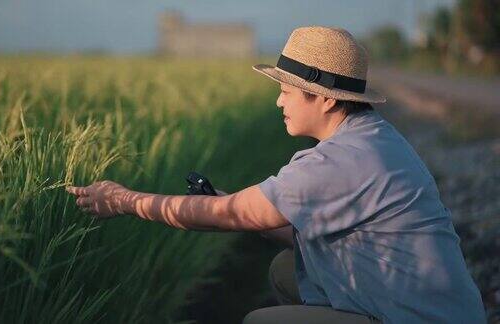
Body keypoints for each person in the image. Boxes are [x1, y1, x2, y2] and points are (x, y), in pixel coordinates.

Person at [66, 26, 487, 323]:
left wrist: (124, 201)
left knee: (259, 321)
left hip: (411, 318)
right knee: (287, 269)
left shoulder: (337, 162)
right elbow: (309, 229)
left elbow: (232, 216)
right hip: (442, 309)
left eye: (285, 90)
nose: (279, 102)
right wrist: (233, 204)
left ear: (322, 98)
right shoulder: (374, 136)